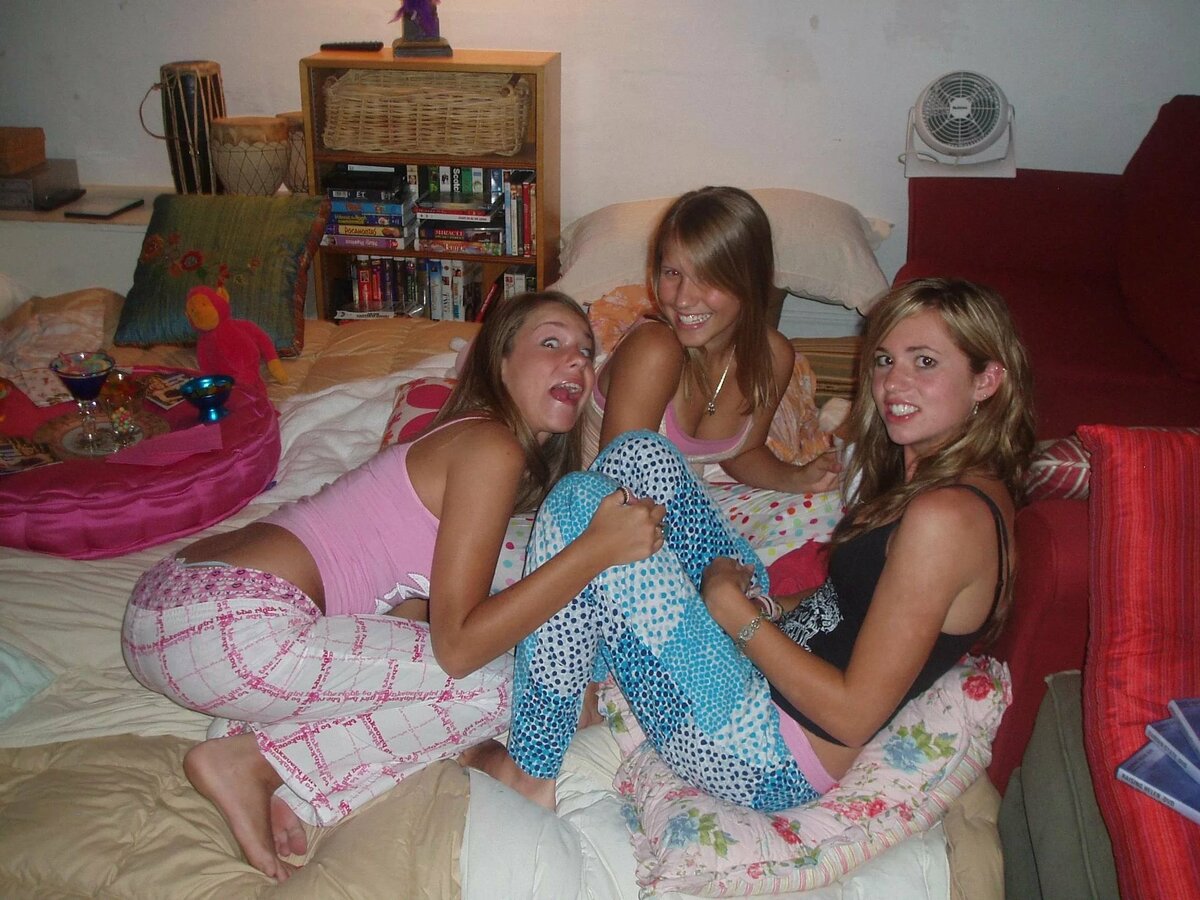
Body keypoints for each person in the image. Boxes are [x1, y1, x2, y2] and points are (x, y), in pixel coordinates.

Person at [120, 291, 667, 882]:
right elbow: (458, 647)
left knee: (469, 680)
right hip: (232, 621)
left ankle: (259, 750)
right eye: (552, 342)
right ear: (499, 361)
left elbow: (404, 629)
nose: (578, 361)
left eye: (587, 351)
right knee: (526, 688)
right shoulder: (491, 446)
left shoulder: (464, 444)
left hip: (170, 614)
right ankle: (255, 762)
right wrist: (593, 552)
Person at [469, 277, 1035, 813]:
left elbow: (852, 716)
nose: (893, 383)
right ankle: (584, 685)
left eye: (925, 361)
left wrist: (735, 614)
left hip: (763, 751)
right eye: (886, 360)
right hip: (762, 660)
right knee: (640, 455)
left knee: (578, 504)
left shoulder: (946, 519)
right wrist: (765, 606)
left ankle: (529, 771)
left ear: (987, 379)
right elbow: (858, 605)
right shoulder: (949, 483)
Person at [583, 185, 841, 495]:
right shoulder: (654, 349)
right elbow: (619, 488)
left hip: (673, 506)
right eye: (672, 273)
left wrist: (800, 478)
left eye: (707, 277)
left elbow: (743, 454)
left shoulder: (773, 355)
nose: (683, 299)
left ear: (751, 279)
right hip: (600, 507)